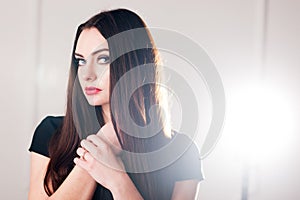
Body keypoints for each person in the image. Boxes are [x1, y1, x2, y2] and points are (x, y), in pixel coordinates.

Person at [28, 8, 204, 200]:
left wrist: (116, 178)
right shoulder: (52, 132)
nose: (87, 74)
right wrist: (100, 145)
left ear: (135, 63)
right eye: (81, 61)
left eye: (103, 59)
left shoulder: (181, 153)